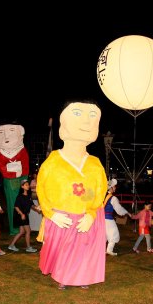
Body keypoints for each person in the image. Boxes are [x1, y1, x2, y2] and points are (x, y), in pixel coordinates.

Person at [37, 98, 107, 290]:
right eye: (77, 114)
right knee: (63, 251)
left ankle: (81, 277)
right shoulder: (53, 161)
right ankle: (63, 277)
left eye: (93, 116)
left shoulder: (93, 163)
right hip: (62, 216)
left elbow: (96, 193)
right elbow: (42, 190)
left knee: (83, 250)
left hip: (84, 216)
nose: (87, 121)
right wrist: (51, 214)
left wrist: (91, 213)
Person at [0, 122, 30, 235]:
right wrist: (16, 171)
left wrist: (12, 169)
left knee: (23, 203)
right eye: (1, 133)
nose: (6, 137)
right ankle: (14, 228)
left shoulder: (22, 150)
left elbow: (25, 167)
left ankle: (23, 225)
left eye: (11, 132)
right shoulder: (1, 153)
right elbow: (3, 169)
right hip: (10, 182)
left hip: (21, 180)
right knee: (12, 204)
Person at [8, 180, 39, 253]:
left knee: (21, 232)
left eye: (28, 185)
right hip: (22, 215)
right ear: (22, 186)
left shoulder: (28, 196)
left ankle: (11, 245)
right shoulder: (20, 196)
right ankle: (28, 247)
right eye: (26, 185)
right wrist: (22, 214)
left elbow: (32, 205)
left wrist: (38, 208)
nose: (28, 186)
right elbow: (16, 207)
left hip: (24, 215)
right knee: (28, 231)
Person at [103, 178, 131, 256]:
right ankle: (109, 250)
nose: (115, 188)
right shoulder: (113, 198)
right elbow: (119, 210)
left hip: (101, 219)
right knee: (113, 233)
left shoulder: (103, 197)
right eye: (114, 186)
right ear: (111, 188)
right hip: (108, 219)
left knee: (104, 234)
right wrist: (127, 212)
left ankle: (102, 250)